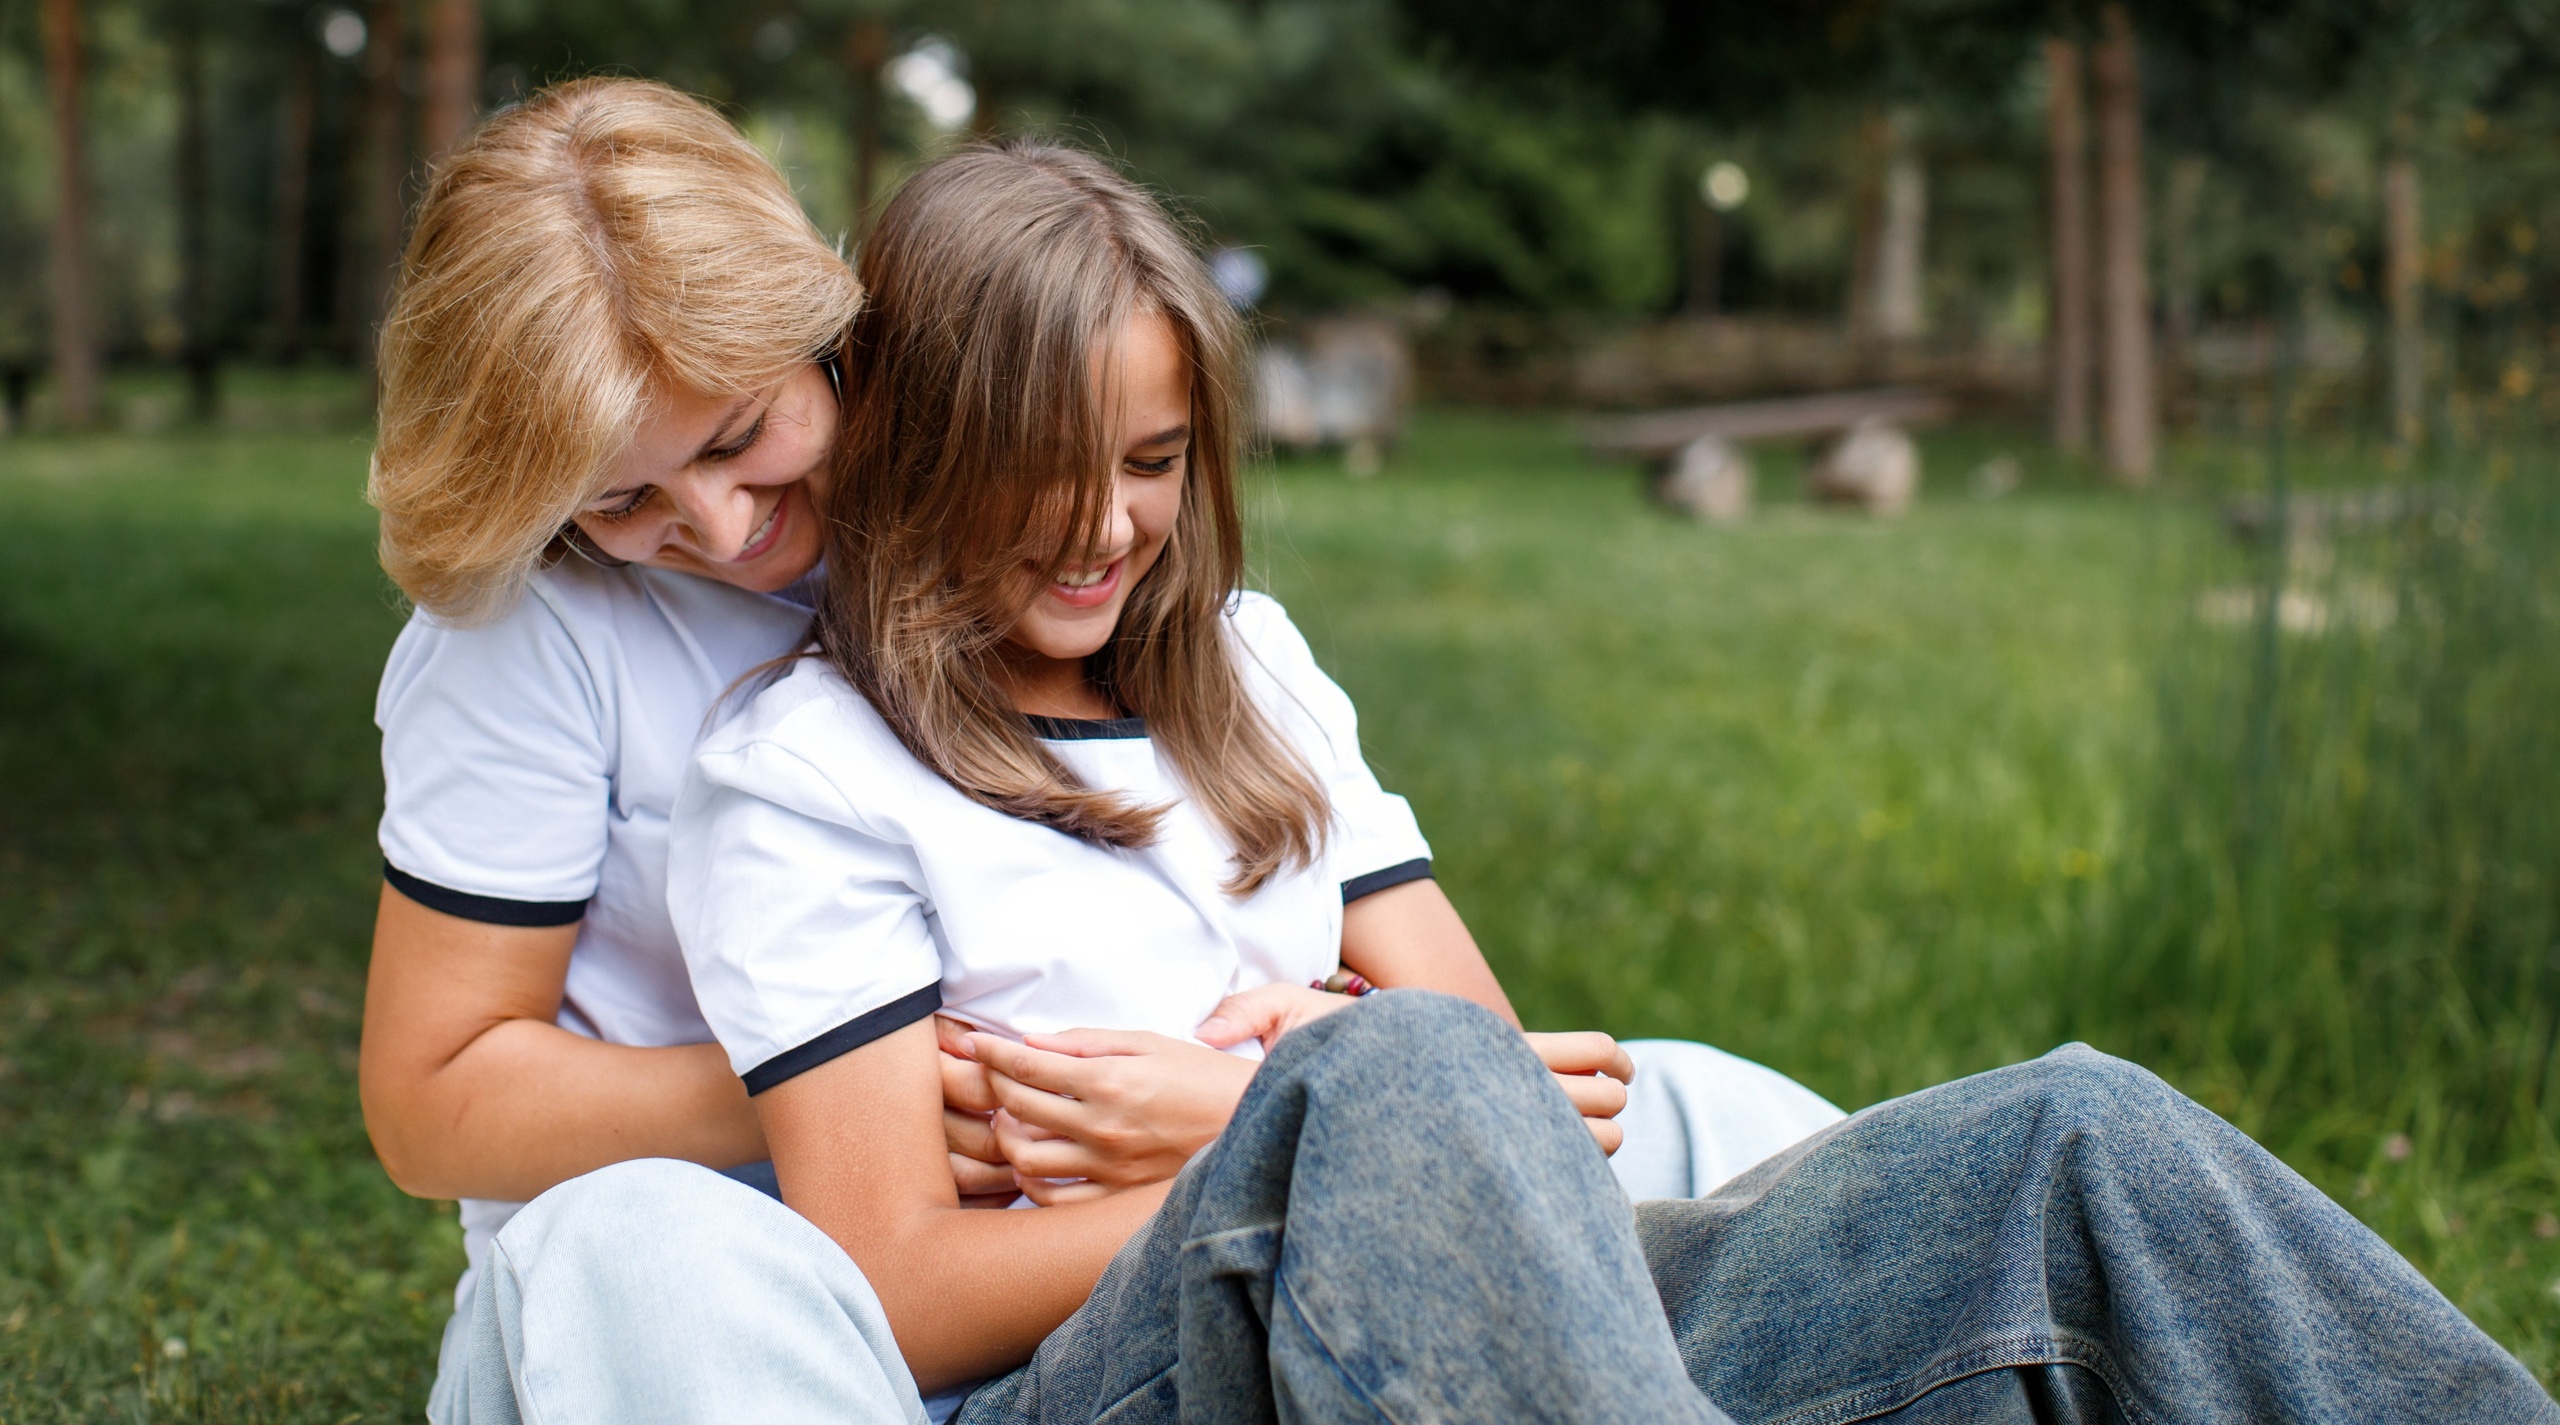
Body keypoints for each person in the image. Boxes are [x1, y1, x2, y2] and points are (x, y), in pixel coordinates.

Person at [570, 139, 2542, 1424]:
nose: (1105, 527)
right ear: (915, 437)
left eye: (1155, 460)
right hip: (1124, 1378)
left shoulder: (1243, 671)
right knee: (1385, 1074)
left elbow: (1515, 1092)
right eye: (1041, 467)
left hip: (1495, 1325)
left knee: (2068, 1138)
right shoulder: (807, 776)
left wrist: (1275, 1102)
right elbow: (899, 1295)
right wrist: (1269, 1134)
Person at [354, 80, 1838, 1422]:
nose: (728, 529)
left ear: (832, 335)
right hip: (741, 1278)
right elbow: (431, 1103)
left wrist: (1300, 1098)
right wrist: (878, 1081)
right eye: (628, 500)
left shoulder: (1012, 551)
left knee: (1720, 1110)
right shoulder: (531, 640)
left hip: (1115, 1218)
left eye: (745, 435)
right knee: (658, 1259)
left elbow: (1433, 1036)